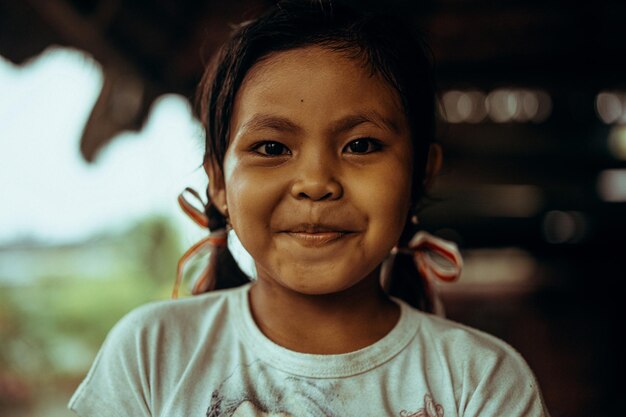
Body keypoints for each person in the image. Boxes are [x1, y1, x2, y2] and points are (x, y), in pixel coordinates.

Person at [68, 1, 550, 416]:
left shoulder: (480, 381)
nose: (316, 183)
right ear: (217, 182)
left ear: (421, 173)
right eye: (272, 148)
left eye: (361, 145)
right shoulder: (153, 353)